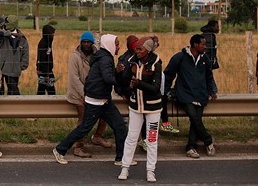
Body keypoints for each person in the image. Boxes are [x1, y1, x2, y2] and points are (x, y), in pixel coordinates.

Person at [53, 34, 130, 166]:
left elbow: (105, 76)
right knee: (84, 128)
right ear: (110, 45)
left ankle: (121, 158)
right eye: (117, 44)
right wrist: (124, 82)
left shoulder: (103, 56)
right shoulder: (105, 59)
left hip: (104, 100)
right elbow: (107, 77)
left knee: (120, 126)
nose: (119, 47)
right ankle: (59, 150)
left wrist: (116, 72)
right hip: (96, 101)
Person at [164, 34, 218, 159]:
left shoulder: (205, 60)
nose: (206, 47)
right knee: (194, 116)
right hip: (184, 95)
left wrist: (212, 91)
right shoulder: (180, 58)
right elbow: (168, 74)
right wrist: (166, 91)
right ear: (195, 45)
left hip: (201, 96)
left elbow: (209, 77)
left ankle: (191, 147)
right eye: (203, 44)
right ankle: (208, 141)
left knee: (196, 120)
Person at [118, 36, 162, 183]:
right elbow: (124, 82)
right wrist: (121, 74)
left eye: (140, 49)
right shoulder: (131, 61)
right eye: (136, 48)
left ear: (148, 50)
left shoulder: (156, 62)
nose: (136, 51)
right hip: (135, 106)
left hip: (153, 108)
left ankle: (150, 170)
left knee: (151, 139)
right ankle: (125, 167)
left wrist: (139, 84)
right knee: (131, 138)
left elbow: (156, 88)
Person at [65, 31, 112, 158]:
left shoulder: (96, 54)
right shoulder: (75, 56)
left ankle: (98, 136)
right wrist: (84, 94)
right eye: (84, 42)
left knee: (104, 113)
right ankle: (78, 146)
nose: (86, 44)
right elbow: (74, 78)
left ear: (92, 43)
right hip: (78, 94)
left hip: (93, 92)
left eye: (88, 42)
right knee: (84, 120)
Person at [0, 15, 29, 95]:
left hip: (14, 70)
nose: (5, 24)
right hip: (1, 68)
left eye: (7, 23)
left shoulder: (22, 38)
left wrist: (21, 66)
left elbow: (25, 53)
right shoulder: (2, 34)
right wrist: (10, 34)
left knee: (13, 92)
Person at [36, 24, 56, 95]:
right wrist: (46, 74)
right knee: (51, 91)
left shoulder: (48, 42)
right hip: (45, 72)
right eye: (52, 34)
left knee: (41, 89)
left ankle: (38, 104)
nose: (53, 36)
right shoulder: (43, 44)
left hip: (46, 71)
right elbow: (42, 59)